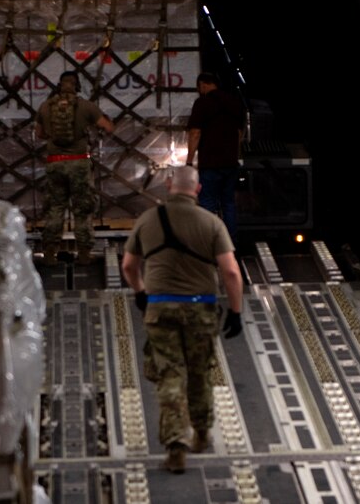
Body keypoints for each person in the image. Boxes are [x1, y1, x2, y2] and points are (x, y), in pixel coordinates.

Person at [120, 165, 243, 474]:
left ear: (168, 185)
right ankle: (201, 433)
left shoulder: (147, 220)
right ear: (198, 190)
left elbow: (128, 266)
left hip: (161, 308)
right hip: (201, 308)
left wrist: (140, 292)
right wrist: (236, 311)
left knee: (169, 374)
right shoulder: (211, 223)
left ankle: (176, 444)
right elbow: (230, 272)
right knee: (200, 373)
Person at [35, 71, 114, 263]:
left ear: (60, 85)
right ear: (77, 85)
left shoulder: (45, 107)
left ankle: (50, 253)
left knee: (55, 208)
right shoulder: (86, 107)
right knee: (82, 209)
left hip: (55, 162)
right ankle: (85, 254)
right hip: (79, 162)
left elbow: (39, 134)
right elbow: (107, 127)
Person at [185, 72, 245, 244]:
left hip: (210, 163)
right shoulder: (234, 102)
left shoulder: (202, 103)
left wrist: (189, 161)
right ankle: (230, 244)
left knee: (207, 204)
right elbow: (239, 134)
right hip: (230, 163)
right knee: (228, 203)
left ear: (203, 85)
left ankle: (208, 244)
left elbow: (195, 132)